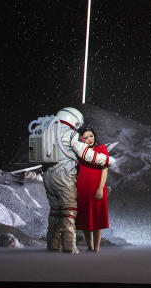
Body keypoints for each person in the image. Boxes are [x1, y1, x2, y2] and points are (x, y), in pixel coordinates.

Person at [42, 107, 115, 254]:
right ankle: (69, 246)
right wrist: (109, 160)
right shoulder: (70, 134)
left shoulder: (46, 131)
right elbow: (86, 154)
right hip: (64, 177)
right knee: (69, 212)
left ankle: (53, 244)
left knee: (55, 211)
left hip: (48, 177)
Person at [75, 126, 109, 252]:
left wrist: (100, 188)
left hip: (97, 186)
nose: (89, 139)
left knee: (97, 216)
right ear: (81, 139)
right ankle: (89, 247)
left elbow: (105, 169)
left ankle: (97, 248)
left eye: (91, 136)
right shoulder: (79, 151)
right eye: (86, 137)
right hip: (83, 187)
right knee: (85, 217)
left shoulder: (101, 148)